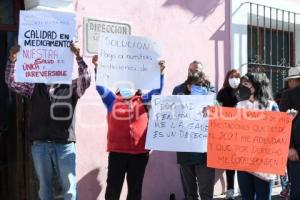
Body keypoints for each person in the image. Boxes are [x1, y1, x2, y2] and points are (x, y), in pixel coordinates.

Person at [5, 43, 91, 200]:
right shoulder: (33, 86)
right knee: (44, 191)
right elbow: (11, 82)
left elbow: (85, 79)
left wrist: (78, 57)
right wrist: (12, 59)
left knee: (69, 190)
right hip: (40, 145)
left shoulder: (70, 87)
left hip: (65, 145)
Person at [92, 55, 165, 200]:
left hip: (139, 154)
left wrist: (161, 73)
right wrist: (98, 67)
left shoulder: (143, 100)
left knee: (135, 191)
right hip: (117, 153)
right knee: (113, 189)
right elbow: (100, 87)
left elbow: (157, 91)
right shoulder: (111, 100)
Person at [173, 69, 215, 200]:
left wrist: (212, 109)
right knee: (190, 194)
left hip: (205, 156)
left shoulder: (213, 105)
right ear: (189, 86)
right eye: (197, 85)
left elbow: (223, 122)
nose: (200, 88)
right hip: (185, 154)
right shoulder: (178, 104)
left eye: (202, 86)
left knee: (206, 193)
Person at [236, 72, 278, 200]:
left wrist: (288, 120)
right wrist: (213, 113)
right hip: (243, 162)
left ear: (257, 85)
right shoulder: (239, 106)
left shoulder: (271, 106)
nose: (244, 86)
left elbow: (279, 131)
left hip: (264, 164)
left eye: (247, 83)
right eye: (242, 84)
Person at [216, 69, 241, 200]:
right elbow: (218, 109)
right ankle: (230, 189)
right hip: (228, 132)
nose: (234, 79)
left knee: (243, 161)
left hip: (243, 133)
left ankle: (243, 188)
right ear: (227, 78)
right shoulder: (222, 92)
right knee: (230, 162)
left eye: (237, 76)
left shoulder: (244, 92)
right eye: (232, 76)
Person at [279, 66, 300, 200]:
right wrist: (290, 147)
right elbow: (282, 123)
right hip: (296, 151)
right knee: (297, 190)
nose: (290, 83)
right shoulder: (288, 94)